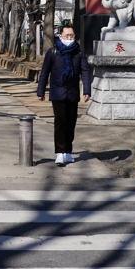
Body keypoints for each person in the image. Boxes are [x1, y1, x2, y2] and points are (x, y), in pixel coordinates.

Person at [36, 24, 92, 166]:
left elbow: (85, 71)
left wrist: (86, 90)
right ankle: (60, 152)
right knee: (60, 122)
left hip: (73, 93)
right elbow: (45, 72)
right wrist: (41, 91)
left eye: (72, 35)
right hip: (57, 92)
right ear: (61, 36)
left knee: (71, 123)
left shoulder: (78, 52)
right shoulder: (53, 52)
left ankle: (68, 151)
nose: (69, 38)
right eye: (67, 35)